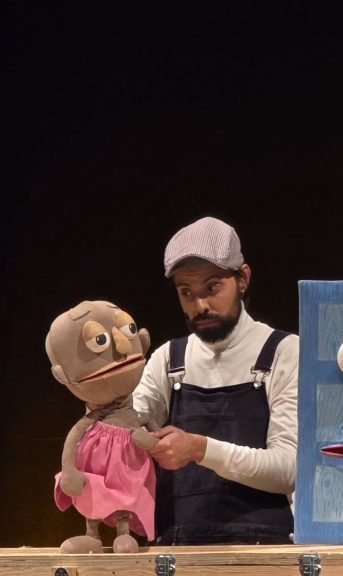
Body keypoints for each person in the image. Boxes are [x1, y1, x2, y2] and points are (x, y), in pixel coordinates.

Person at [133, 216, 298, 545]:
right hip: (177, 553)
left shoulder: (284, 351)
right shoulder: (168, 359)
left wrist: (200, 449)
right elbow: (125, 426)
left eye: (212, 287)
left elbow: (288, 470)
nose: (200, 305)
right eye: (186, 292)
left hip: (265, 553)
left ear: (243, 278)